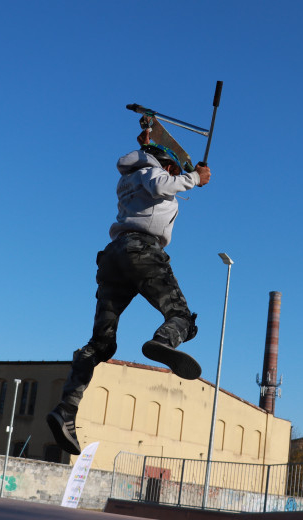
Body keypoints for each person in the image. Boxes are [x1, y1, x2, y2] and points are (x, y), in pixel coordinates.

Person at [47, 125, 212, 455]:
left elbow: (152, 167)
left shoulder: (130, 177)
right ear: (162, 165)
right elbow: (160, 179)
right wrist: (195, 178)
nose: (173, 176)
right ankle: (163, 341)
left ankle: (66, 409)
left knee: (101, 343)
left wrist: (149, 143)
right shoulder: (151, 174)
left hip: (112, 260)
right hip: (142, 253)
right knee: (180, 317)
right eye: (171, 168)